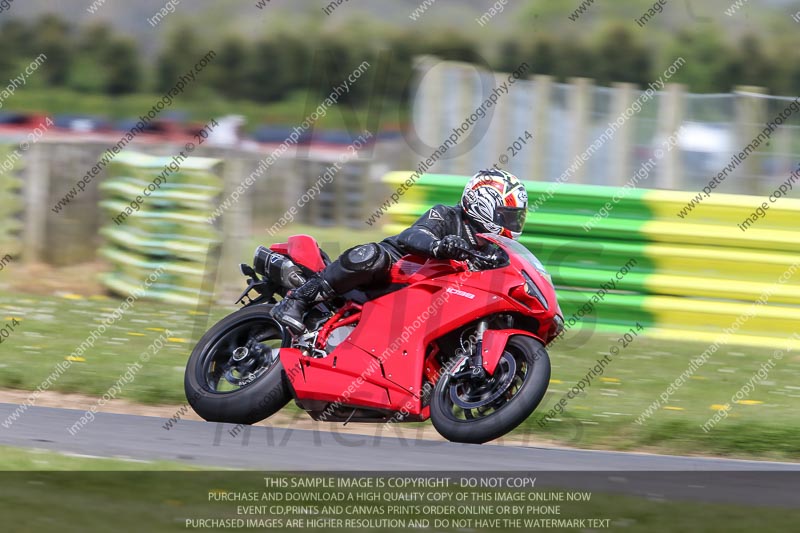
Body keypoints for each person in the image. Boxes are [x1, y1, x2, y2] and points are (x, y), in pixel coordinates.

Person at [271, 169, 529, 334]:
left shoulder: (492, 249)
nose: (512, 223)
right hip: (395, 273)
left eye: (516, 218)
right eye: (507, 216)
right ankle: (299, 299)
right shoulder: (446, 215)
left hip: (429, 301)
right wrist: (439, 246)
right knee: (371, 256)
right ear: (482, 205)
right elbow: (413, 235)